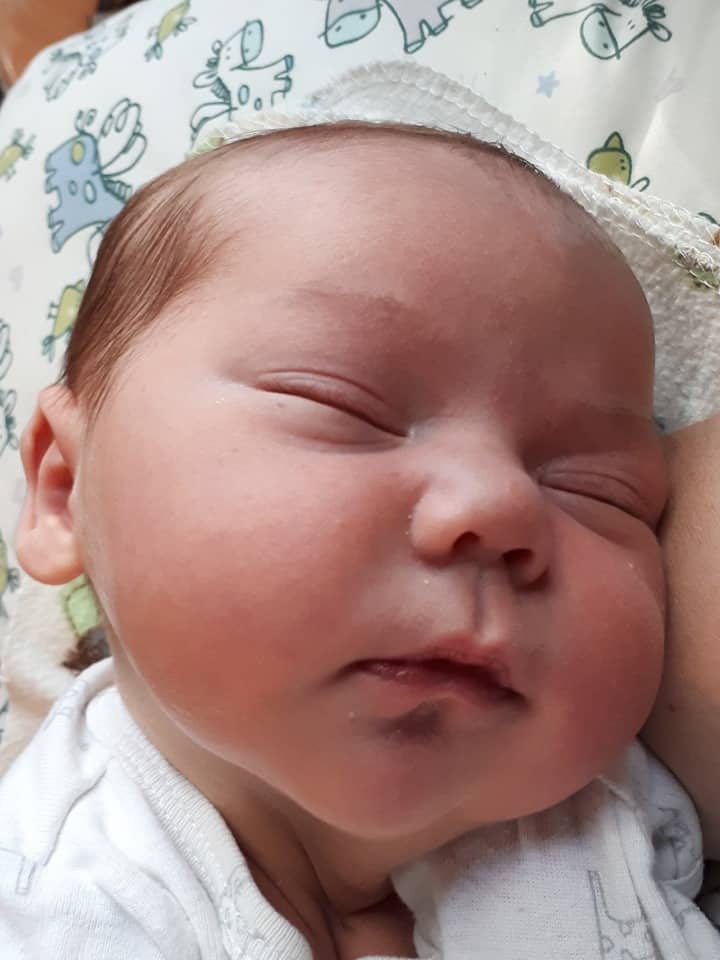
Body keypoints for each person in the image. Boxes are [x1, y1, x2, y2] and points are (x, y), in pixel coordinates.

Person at [0, 118, 706, 959]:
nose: (501, 504)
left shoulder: (603, 811)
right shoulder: (54, 904)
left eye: (597, 488)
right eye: (342, 404)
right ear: (65, 491)